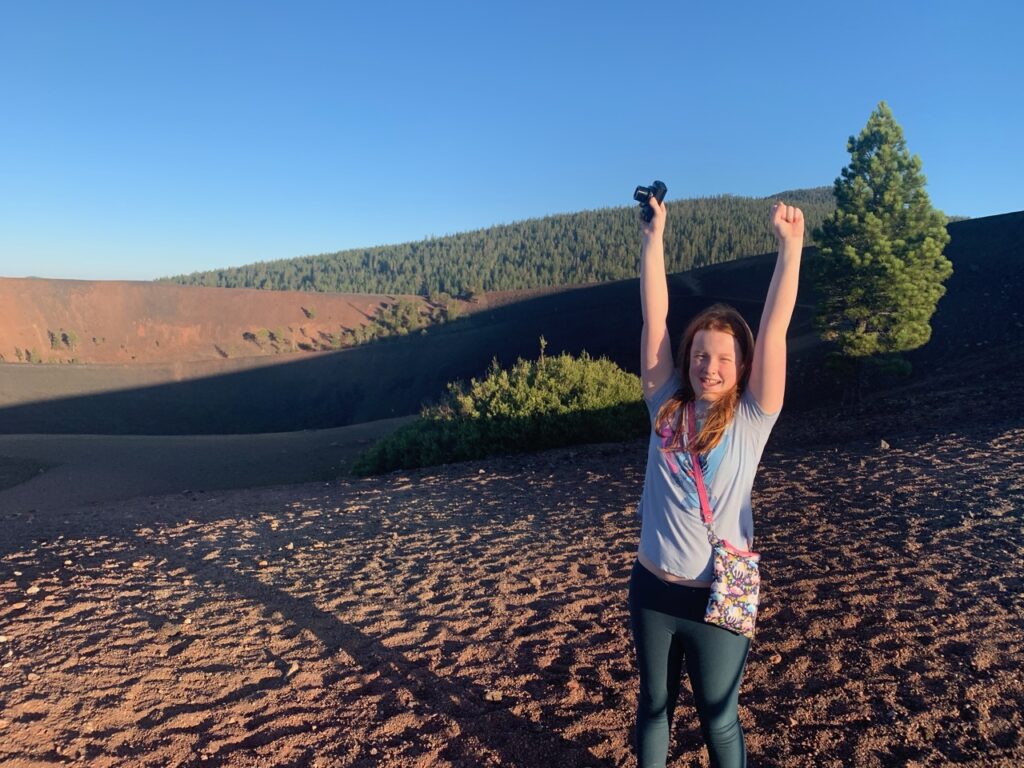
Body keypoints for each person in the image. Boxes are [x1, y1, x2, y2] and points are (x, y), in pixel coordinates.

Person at [629, 196, 803, 768]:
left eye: (723, 358)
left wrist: (790, 248)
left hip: (717, 597)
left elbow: (775, 328)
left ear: (741, 365)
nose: (710, 366)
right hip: (652, 589)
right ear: (688, 358)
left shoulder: (753, 418)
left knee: (718, 716)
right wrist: (655, 238)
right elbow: (655, 319)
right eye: (701, 354)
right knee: (653, 708)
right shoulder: (664, 403)